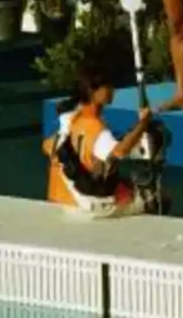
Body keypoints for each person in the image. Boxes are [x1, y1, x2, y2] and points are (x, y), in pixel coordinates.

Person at [44, 65, 160, 217]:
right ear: (93, 91)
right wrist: (143, 123)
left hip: (58, 200)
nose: (113, 90)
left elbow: (46, 146)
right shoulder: (96, 128)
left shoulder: (69, 121)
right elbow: (120, 152)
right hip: (84, 208)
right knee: (159, 199)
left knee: (119, 181)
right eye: (108, 86)